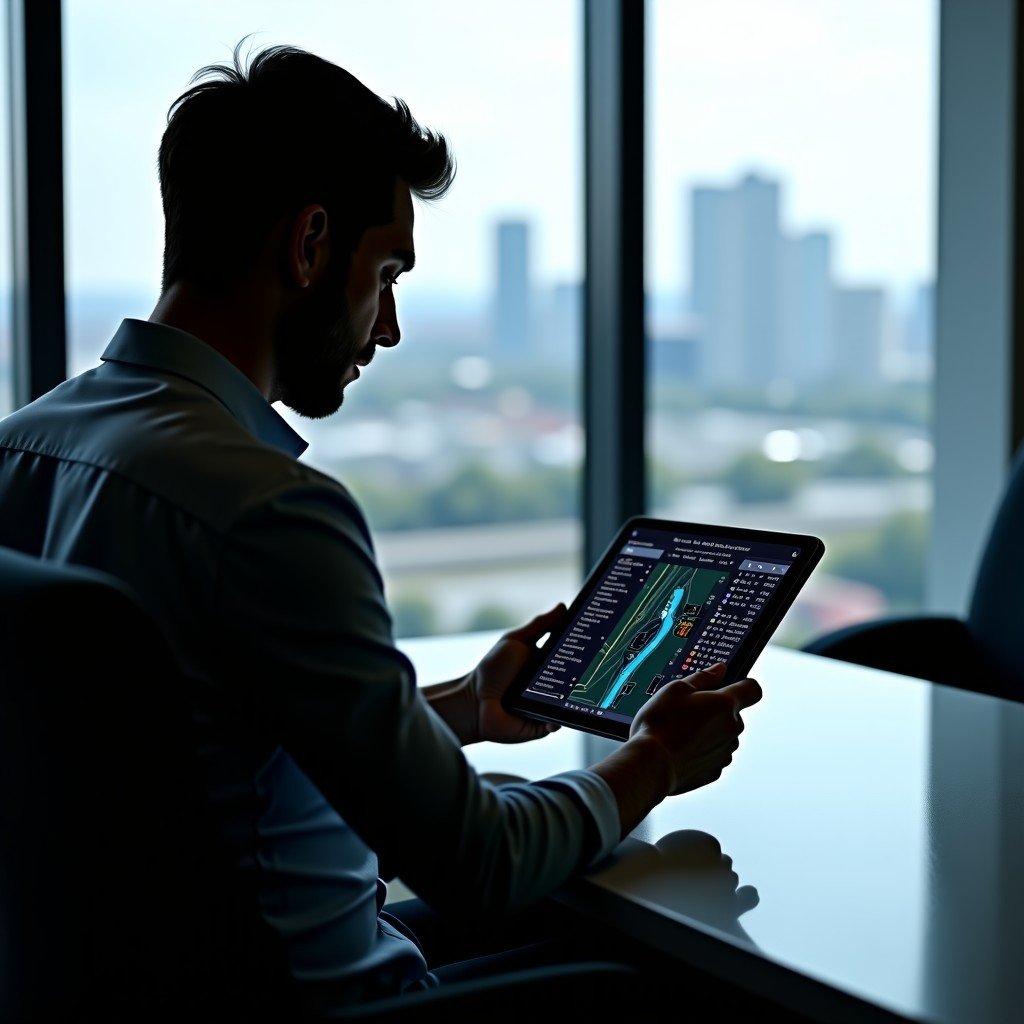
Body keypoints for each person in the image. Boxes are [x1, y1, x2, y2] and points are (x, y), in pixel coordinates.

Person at [0, 42, 762, 1018]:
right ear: (310, 244)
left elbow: (212, 747)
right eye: (387, 270)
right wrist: (652, 759)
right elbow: (477, 862)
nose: (389, 325)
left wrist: (464, 705)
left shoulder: (23, 450)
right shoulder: (268, 510)